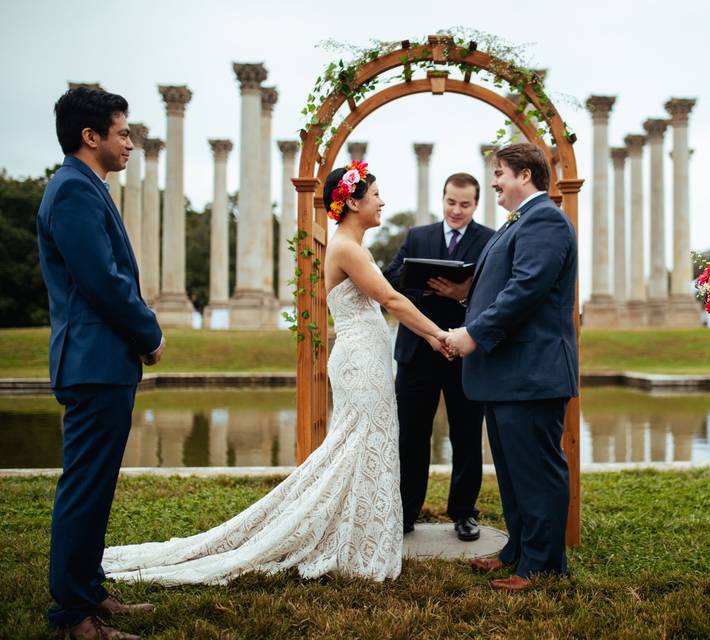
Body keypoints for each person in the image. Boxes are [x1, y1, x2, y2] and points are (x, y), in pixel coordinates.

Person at [102, 162, 455, 588]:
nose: (382, 202)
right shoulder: (346, 247)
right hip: (360, 363)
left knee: (366, 445)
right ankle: (346, 537)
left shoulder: (351, 246)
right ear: (354, 201)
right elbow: (391, 299)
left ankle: (359, 535)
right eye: (376, 194)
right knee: (361, 444)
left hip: (367, 358)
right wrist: (438, 336)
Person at [38, 86, 165, 640]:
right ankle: (73, 614)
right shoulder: (72, 191)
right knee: (85, 487)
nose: (130, 143)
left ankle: (90, 590)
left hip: (102, 362)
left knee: (96, 485)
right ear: (90, 137)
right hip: (93, 362)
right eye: (122, 133)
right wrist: (149, 332)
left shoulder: (87, 187)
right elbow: (102, 283)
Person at [444, 143, 578, 592]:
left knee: (537, 472)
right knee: (513, 470)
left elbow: (526, 289)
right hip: (506, 373)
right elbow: (503, 284)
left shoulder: (546, 220)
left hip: (531, 371)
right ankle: (517, 551)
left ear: (524, 175)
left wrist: (474, 333)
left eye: (499, 173)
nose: (495, 182)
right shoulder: (518, 222)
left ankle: (541, 565)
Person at [385, 172, 495, 540]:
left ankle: (464, 513)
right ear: (442, 198)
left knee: (466, 436)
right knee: (412, 435)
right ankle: (405, 510)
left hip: (466, 353)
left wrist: (461, 294)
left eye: (465, 204)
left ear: (476, 204)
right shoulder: (418, 236)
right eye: (451, 202)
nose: (456, 210)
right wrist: (429, 287)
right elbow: (390, 278)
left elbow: (495, 297)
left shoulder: (490, 241)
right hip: (417, 351)